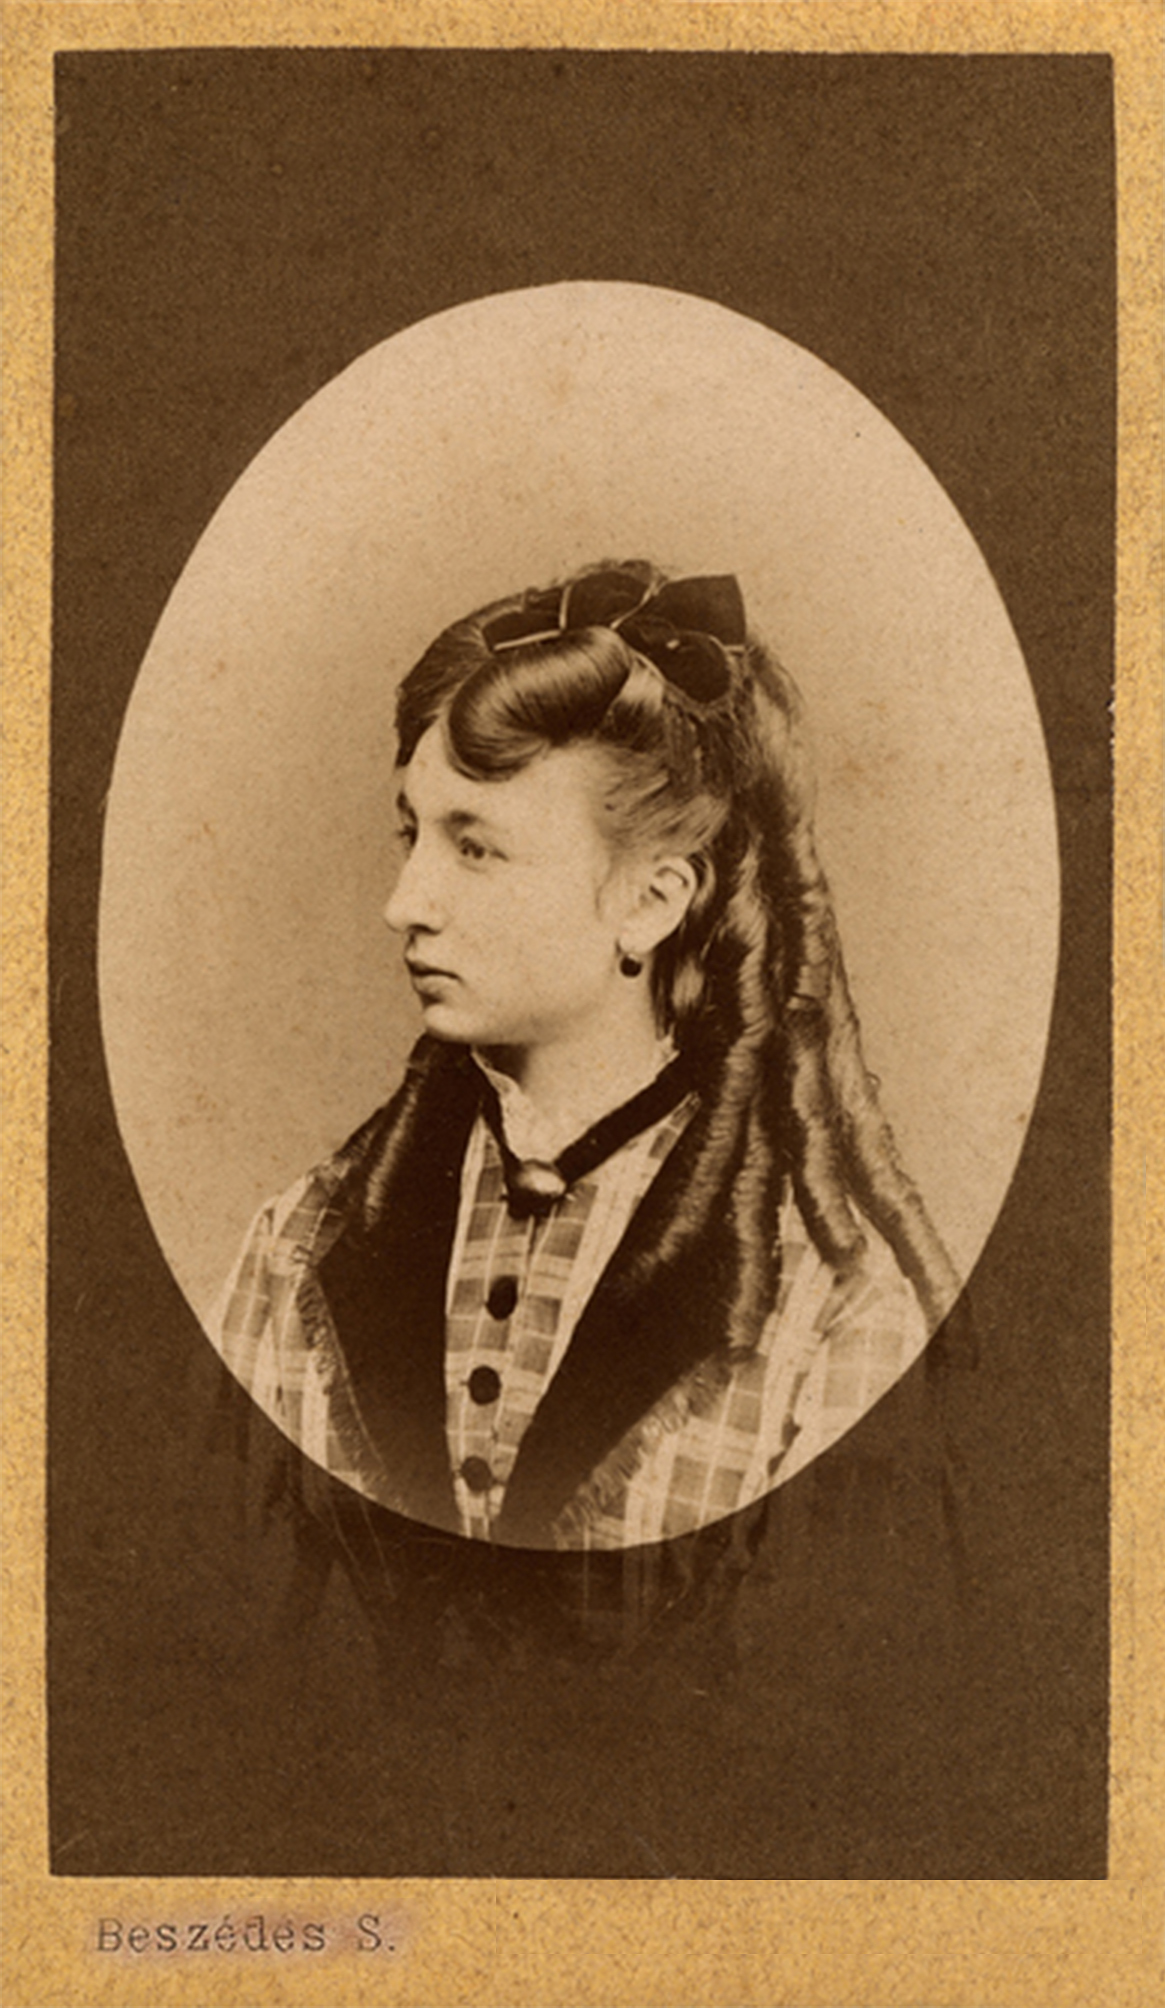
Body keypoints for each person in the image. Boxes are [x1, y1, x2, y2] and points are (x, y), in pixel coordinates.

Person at [210, 560, 960, 1561]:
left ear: (649, 902)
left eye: (474, 848)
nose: (404, 903)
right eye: (411, 834)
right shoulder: (298, 1248)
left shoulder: (824, 1309)